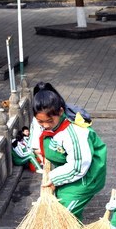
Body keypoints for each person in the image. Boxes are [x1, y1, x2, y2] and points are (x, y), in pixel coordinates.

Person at [28, 82, 107, 219]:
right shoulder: (42, 120)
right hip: (67, 171)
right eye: (41, 122)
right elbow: (36, 132)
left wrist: (53, 178)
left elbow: (77, 166)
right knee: (67, 217)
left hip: (85, 176)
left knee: (62, 217)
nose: (45, 125)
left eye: (50, 121)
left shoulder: (74, 133)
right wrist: (38, 151)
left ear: (60, 112)